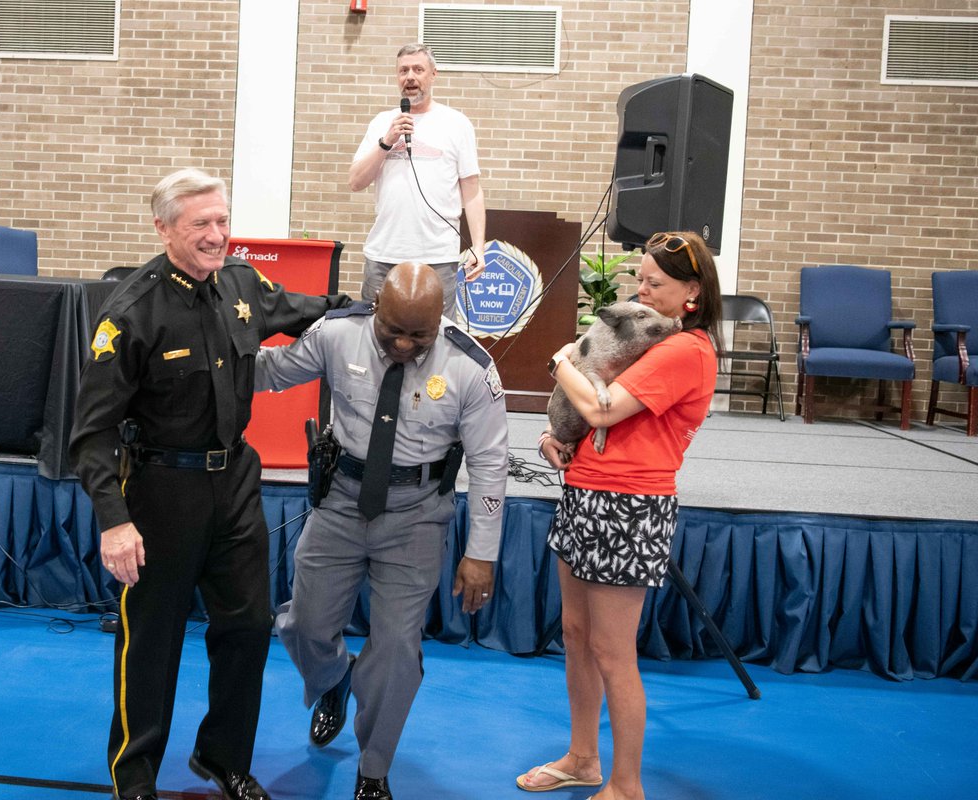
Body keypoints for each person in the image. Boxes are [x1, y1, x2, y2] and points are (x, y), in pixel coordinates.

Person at [69, 168, 351, 800]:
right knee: (152, 639)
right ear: (164, 228)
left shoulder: (241, 284)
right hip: (160, 492)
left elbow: (308, 311)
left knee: (248, 627)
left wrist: (374, 311)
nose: (218, 235)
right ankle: (134, 774)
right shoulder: (132, 312)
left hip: (235, 486)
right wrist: (115, 519)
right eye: (202, 224)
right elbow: (91, 433)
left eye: (223, 221)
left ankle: (222, 758)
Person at [255, 262, 509, 800]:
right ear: (375, 306)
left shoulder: (470, 369)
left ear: (441, 319)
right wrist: (207, 353)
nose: (401, 342)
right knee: (301, 625)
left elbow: (490, 463)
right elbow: (272, 370)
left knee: (395, 647)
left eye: (418, 334)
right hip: (341, 503)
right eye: (391, 328)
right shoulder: (338, 333)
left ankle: (373, 767)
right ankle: (333, 680)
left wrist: (481, 550)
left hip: (416, 514)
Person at [516, 231, 723, 799]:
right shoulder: (652, 344)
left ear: (692, 293)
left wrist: (559, 363)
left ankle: (626, 786)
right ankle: (584, 759)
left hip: (629, 508)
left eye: (656, 283)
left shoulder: (686, 350)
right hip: (586, 491)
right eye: (641, 279)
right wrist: (557, 438)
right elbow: (595, 416)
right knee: (577, 635)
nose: (642, 291)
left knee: (612, 651)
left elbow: (603, 409)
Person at [348, 43, 486, 319]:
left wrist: (479, 247)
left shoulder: (456, 123)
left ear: (433, 75)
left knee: (439, 336)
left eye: (418, 69)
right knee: (372, 331)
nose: (410, 76)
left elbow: (471, 189)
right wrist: (386, 142)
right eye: (403, 71)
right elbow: (356, 181)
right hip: (384, 253)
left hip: (438, 256)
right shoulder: (381, 123)